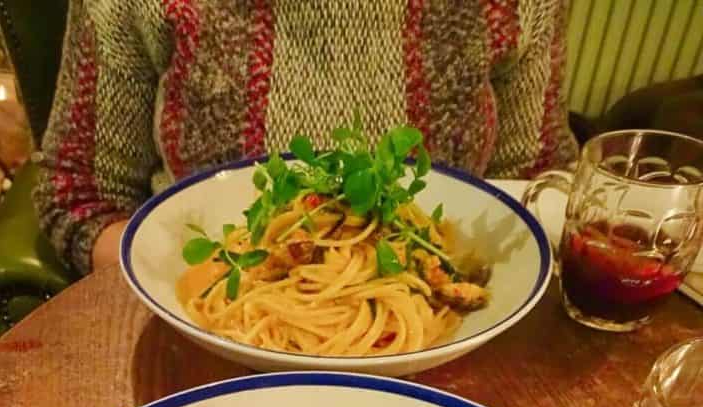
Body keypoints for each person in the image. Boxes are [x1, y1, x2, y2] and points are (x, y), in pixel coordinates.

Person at [34, 0, 577, 275]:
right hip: (205, 343)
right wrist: (202, 291)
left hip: (446, 344)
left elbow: (539, 185)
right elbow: (78, 199)